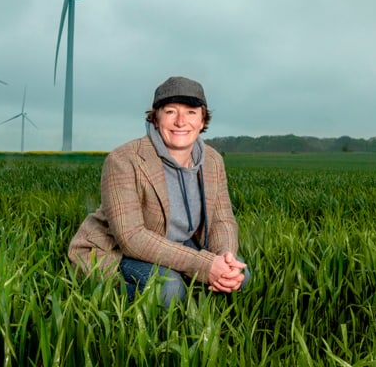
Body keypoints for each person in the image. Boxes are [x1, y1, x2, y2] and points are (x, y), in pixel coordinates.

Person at [68, 76, 250, 307]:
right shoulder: (124, 160)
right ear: (155, 118)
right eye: (171, 111)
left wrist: (226, 257)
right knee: (170, 289)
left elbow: (222, 219)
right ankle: (111, 302)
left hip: (179, 244)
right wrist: (202, 264)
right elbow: (131, 238)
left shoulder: (212, 160)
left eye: (191, 112)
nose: (181, 121)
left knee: (240, 277)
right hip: (121, 250)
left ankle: (195, 298)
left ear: (203, 120)